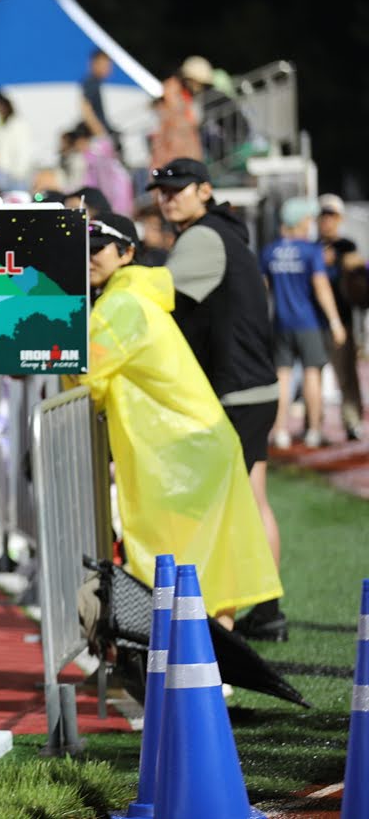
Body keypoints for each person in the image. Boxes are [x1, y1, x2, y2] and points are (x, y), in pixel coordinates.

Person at [72, 213, 281, 624]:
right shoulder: (133, 295)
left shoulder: (121, 304)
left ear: (126, 253)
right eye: (84, 250)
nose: (89, 258)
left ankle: (203, 657)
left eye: (98, 249)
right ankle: (213, 656)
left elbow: (86, 375)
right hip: (196, 447)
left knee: (182, 565)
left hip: (184, 454)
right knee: (206, 567)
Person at [148, 157, 287, 641]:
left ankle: (230, 619)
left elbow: (159, 297)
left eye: (178, 189)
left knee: (223, 508)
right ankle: (267, 612)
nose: (167, 198)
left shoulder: (203, 237)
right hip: (255, 386)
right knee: (254, 498)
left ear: (204, 191)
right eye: (161, 191)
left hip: (236, 390)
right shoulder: (221, 231)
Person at [259, 197, 346, 449]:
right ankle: (314, 431)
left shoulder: (270, 251)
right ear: (299, 221)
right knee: (312, 375)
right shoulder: (310, 251)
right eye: (308, 219)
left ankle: (280, 430)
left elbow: (262, 290)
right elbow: (321, 286)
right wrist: (335, 321)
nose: (311, 223)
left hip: (280, 323)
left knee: (282, 378)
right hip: (309, 323)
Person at [316, 194, 366, 440]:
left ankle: (352, 420)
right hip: (315, 320)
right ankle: (314, 424)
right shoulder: (312, 247)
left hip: (342, 319)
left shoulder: (347, 246)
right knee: (313, 374)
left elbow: (358, 278)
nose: (327, 221)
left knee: (346, 373)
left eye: (332, 216)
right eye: (324, 216)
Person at [0, 91, 33, 191]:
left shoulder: (18, 124)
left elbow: (23, 148)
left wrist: (19, 171)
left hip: (17, 174)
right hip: (2, 172)